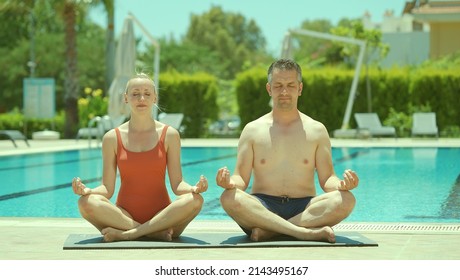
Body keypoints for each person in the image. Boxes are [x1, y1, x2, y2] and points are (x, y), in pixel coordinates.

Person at [216, 59, 358, 243]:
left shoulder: (317, 130)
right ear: (269, 89)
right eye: (278, 86)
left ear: (300, 88)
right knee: (228, 197)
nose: (284, 91)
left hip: (304, 206)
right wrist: (229, 183)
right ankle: (303, 232)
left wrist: (341, 185)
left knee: (347, 200)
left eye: (290, 85)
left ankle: (272, 231)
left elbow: (327, 178)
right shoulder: (252, 130)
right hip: (262, 206)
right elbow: (240, 179)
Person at [72, 73, 208, 242]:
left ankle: (130, 234)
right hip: (124, 217)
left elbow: (177, 184)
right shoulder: (112, 138)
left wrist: (193, 189)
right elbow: (107, 188)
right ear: (126, 98)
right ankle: (151, 232)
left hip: (163, 215)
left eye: (147, 94)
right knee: (85, 203)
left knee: (195, 200)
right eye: (135, 94)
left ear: (155, 99)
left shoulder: (170, 135)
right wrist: (88, 191)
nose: (141, 98)